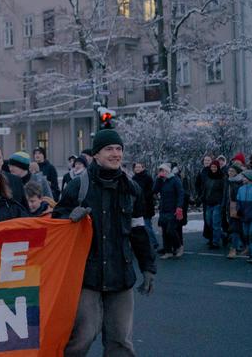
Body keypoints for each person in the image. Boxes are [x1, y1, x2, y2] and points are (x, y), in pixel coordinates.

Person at [52, 129, 156, 357]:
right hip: (86, 276)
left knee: (121, 342)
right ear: (96, 154)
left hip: (121, 276)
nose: (116, 154)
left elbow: (139, 231)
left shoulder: (132, 189)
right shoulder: (78, 186)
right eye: (109, 149)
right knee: (82, 336)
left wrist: (148, 267)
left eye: (119, 149)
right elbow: (55, 223)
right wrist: (69, 218)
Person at [153, 163, 184, 259]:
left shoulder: (175, 180)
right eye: (161, 171)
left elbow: (180, 193)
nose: (163, 172)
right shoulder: (161, 181)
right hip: (163, 209)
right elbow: (154, 190)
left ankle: (179, 246)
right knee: (164, 231)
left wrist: (179, 207)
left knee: (170, 230)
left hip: (173, 209)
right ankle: (168, 251)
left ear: (168, 171)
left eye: (164, 170)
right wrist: (158, 179)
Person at [130, 162, 158, 251]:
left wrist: (141, 197)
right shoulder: (133, 178)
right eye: (136, 167)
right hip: (136, 206)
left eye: (139, 167)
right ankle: (143, 244)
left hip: (147, 206)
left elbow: (151, 191)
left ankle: (153, 243)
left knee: (147, 226)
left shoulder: (148, 178)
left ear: (143, 168)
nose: (137, 169)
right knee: (138, 227)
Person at [199, 160, 226, 249]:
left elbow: (224, 192)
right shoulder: (208, 177)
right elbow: (205, 190)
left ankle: (215, 242)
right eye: (212, 167)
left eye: (215, 167)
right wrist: (201, 198)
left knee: (215, 223)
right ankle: (223, 235)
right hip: (208, 203)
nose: (213, 168)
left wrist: (222, 203)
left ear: (217, 168)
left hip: (217, 204)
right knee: (209, 222)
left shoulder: (222, 178)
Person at [225, 162, 248, 259]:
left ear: (237, 172)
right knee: (238, 229)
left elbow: (239, 197)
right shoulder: (228, 181)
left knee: (234, 228)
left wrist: (239, 208)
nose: (230, 172)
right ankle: (247, 246)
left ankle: (233, 249)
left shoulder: (238, 183)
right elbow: (226, 195)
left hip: (237, 207)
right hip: (229, 207)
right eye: (229, 170)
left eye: (232, 171)